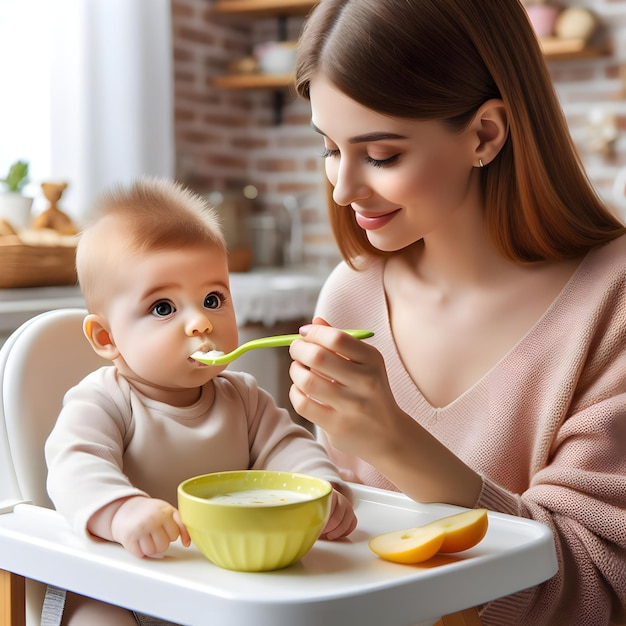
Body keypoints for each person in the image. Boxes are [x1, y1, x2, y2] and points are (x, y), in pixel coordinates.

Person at [287, 1, 626, 625]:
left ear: (484, 135)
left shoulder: (613, 302)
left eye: (381, 154)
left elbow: (601, 586)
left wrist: (398, 444)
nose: (342, 189)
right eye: (331, 148)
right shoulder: (350, 295)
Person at [44, 177, 356, 626]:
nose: (200, 323)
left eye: (213, 299)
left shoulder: (243, 397)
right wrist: (121, 511)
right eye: (164, 308)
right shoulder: (103, 400)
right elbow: (74, 467)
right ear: (106, 337)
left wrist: (323, 493)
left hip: (225, 582)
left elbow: (291, 448)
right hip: (123, 583)